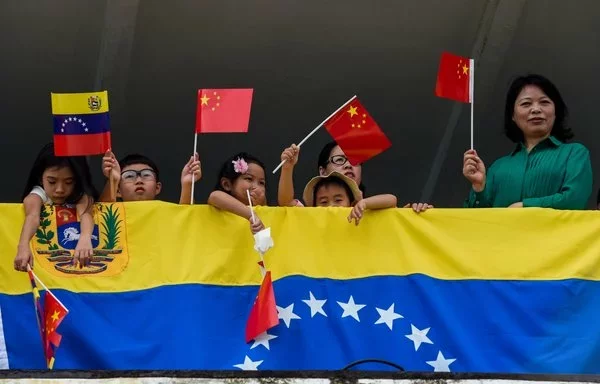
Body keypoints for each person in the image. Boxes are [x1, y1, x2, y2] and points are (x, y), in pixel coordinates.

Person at [463, 74, 592, 209]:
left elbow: (574, 200)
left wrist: (526, 207)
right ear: (513, 115)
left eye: (544, 102)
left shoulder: (574, 154)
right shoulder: (497, 168)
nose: (536, 109)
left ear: (555, 111)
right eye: (526, 104)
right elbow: (476, 222)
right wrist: (479, 187)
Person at [14, 143, 99, 271]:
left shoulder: (81, 196)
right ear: (40, 178)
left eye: (68, 182)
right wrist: (23, 245)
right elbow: (32, 216)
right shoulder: (38, 195)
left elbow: (86, 214)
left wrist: (85, 238)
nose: (60, 189)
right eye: (52, 182)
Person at [277, 142, 431, 212]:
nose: (348, 165)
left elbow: (392, 200)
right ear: (323, 171)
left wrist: (412, 215)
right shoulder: (311, 213)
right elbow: (286, 203)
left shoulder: (372, 209)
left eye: (354, 161)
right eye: (339, 160)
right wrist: (287, 167)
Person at [99, 151, 201, 203]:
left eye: (146, 175)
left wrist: (187, 185)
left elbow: (186, 219)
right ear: (118, 191)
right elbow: (102, 214)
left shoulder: (166, 213)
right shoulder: (113, 219)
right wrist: (113, 181)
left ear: (157, 187)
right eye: (129, 176)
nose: (139, 180)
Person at [302, 171, 397, 225]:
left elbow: (392, 200)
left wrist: (364, 203)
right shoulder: (312, 223)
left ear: (352, 204)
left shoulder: (358, 215)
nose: (331, 206)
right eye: (323, 202)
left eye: (338, 200)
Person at [207, 152, 267, 234]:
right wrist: (251, 215)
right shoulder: (220, 199)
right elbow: (214, 196)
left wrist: (261, 205)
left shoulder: (263, 207)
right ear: (227, 184)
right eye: (249, 179)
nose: (256, 187)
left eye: (261, 183)